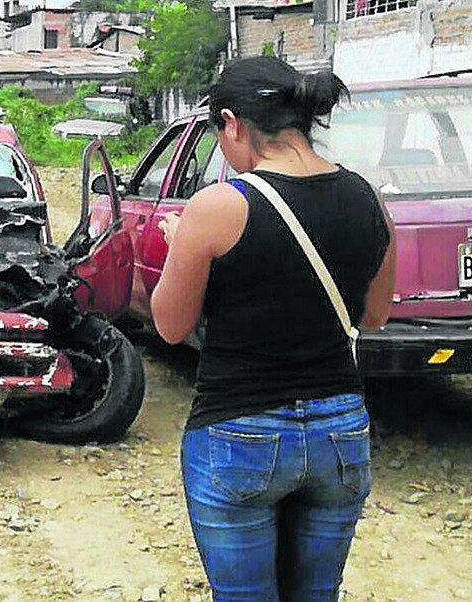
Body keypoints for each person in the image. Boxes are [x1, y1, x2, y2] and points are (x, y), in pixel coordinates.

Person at [150, 56, 396, 601]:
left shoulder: (218, 206)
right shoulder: (367, 196)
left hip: (240, 431)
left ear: (232, 123)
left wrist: (182, 248)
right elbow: (375, 315)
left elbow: (169, 327)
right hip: (340, 429)